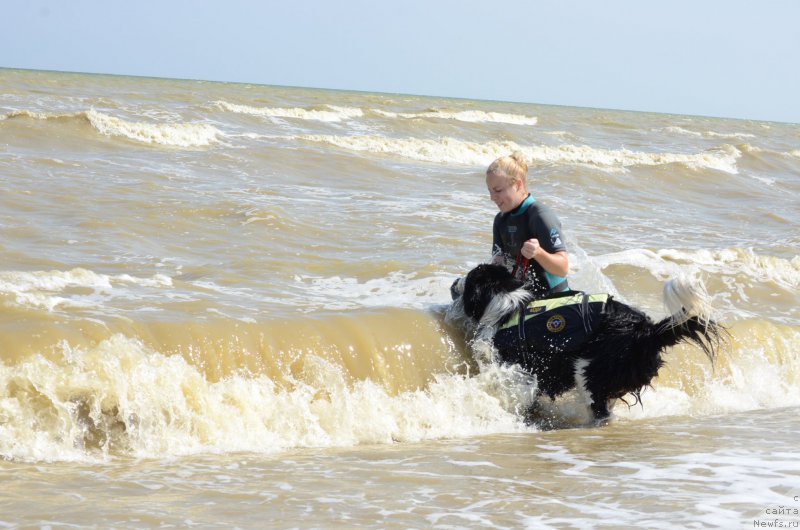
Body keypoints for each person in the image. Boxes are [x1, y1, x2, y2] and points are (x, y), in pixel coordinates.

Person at [486, 151, 569, 298]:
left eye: (498, 190)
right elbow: (499, 263)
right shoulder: (500, 220)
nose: (492, 198)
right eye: (490, 191)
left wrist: (538, 253)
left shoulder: (540, 215)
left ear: (518, 185)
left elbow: (562, 268)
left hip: (555, 300)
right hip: (523, 299)